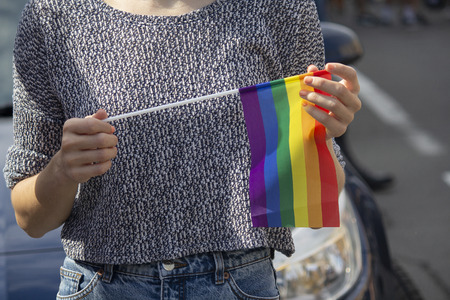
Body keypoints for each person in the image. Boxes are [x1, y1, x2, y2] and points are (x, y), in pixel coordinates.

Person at [4, 0, 361, 299]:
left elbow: (312, 200)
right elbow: (30, 220)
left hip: (238, 283)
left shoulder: (277, 7)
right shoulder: (52, 14)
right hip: (103, 285)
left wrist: (326, 131)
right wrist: (63, 170)